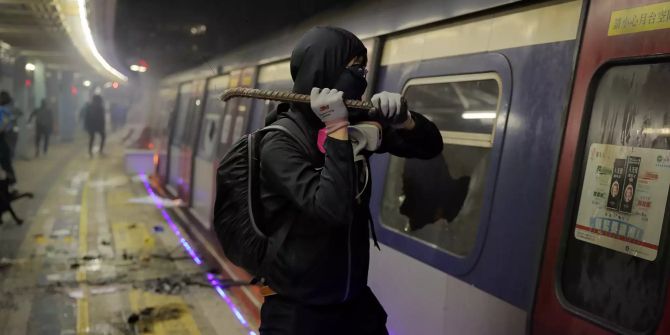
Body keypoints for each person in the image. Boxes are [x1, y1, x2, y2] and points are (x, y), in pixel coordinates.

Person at [257, 27, 443, 335]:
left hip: (352, 303)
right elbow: (331, 208)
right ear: (325, 68)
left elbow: (430, 147)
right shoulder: (280, 142)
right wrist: (337, 129)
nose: (362, 77)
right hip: (297, 313)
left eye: (364, 69)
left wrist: (405, 121)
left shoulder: (355, 122)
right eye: (354, 68)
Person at [0, 91, 17, 184]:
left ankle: (11, 180)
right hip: (6, 136)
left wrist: (1, 130)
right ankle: (10, 180)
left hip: (4, 136)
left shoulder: (4, 109)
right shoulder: (7, 109)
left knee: (5, 159)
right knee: (5, 160)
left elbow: (5, 123)